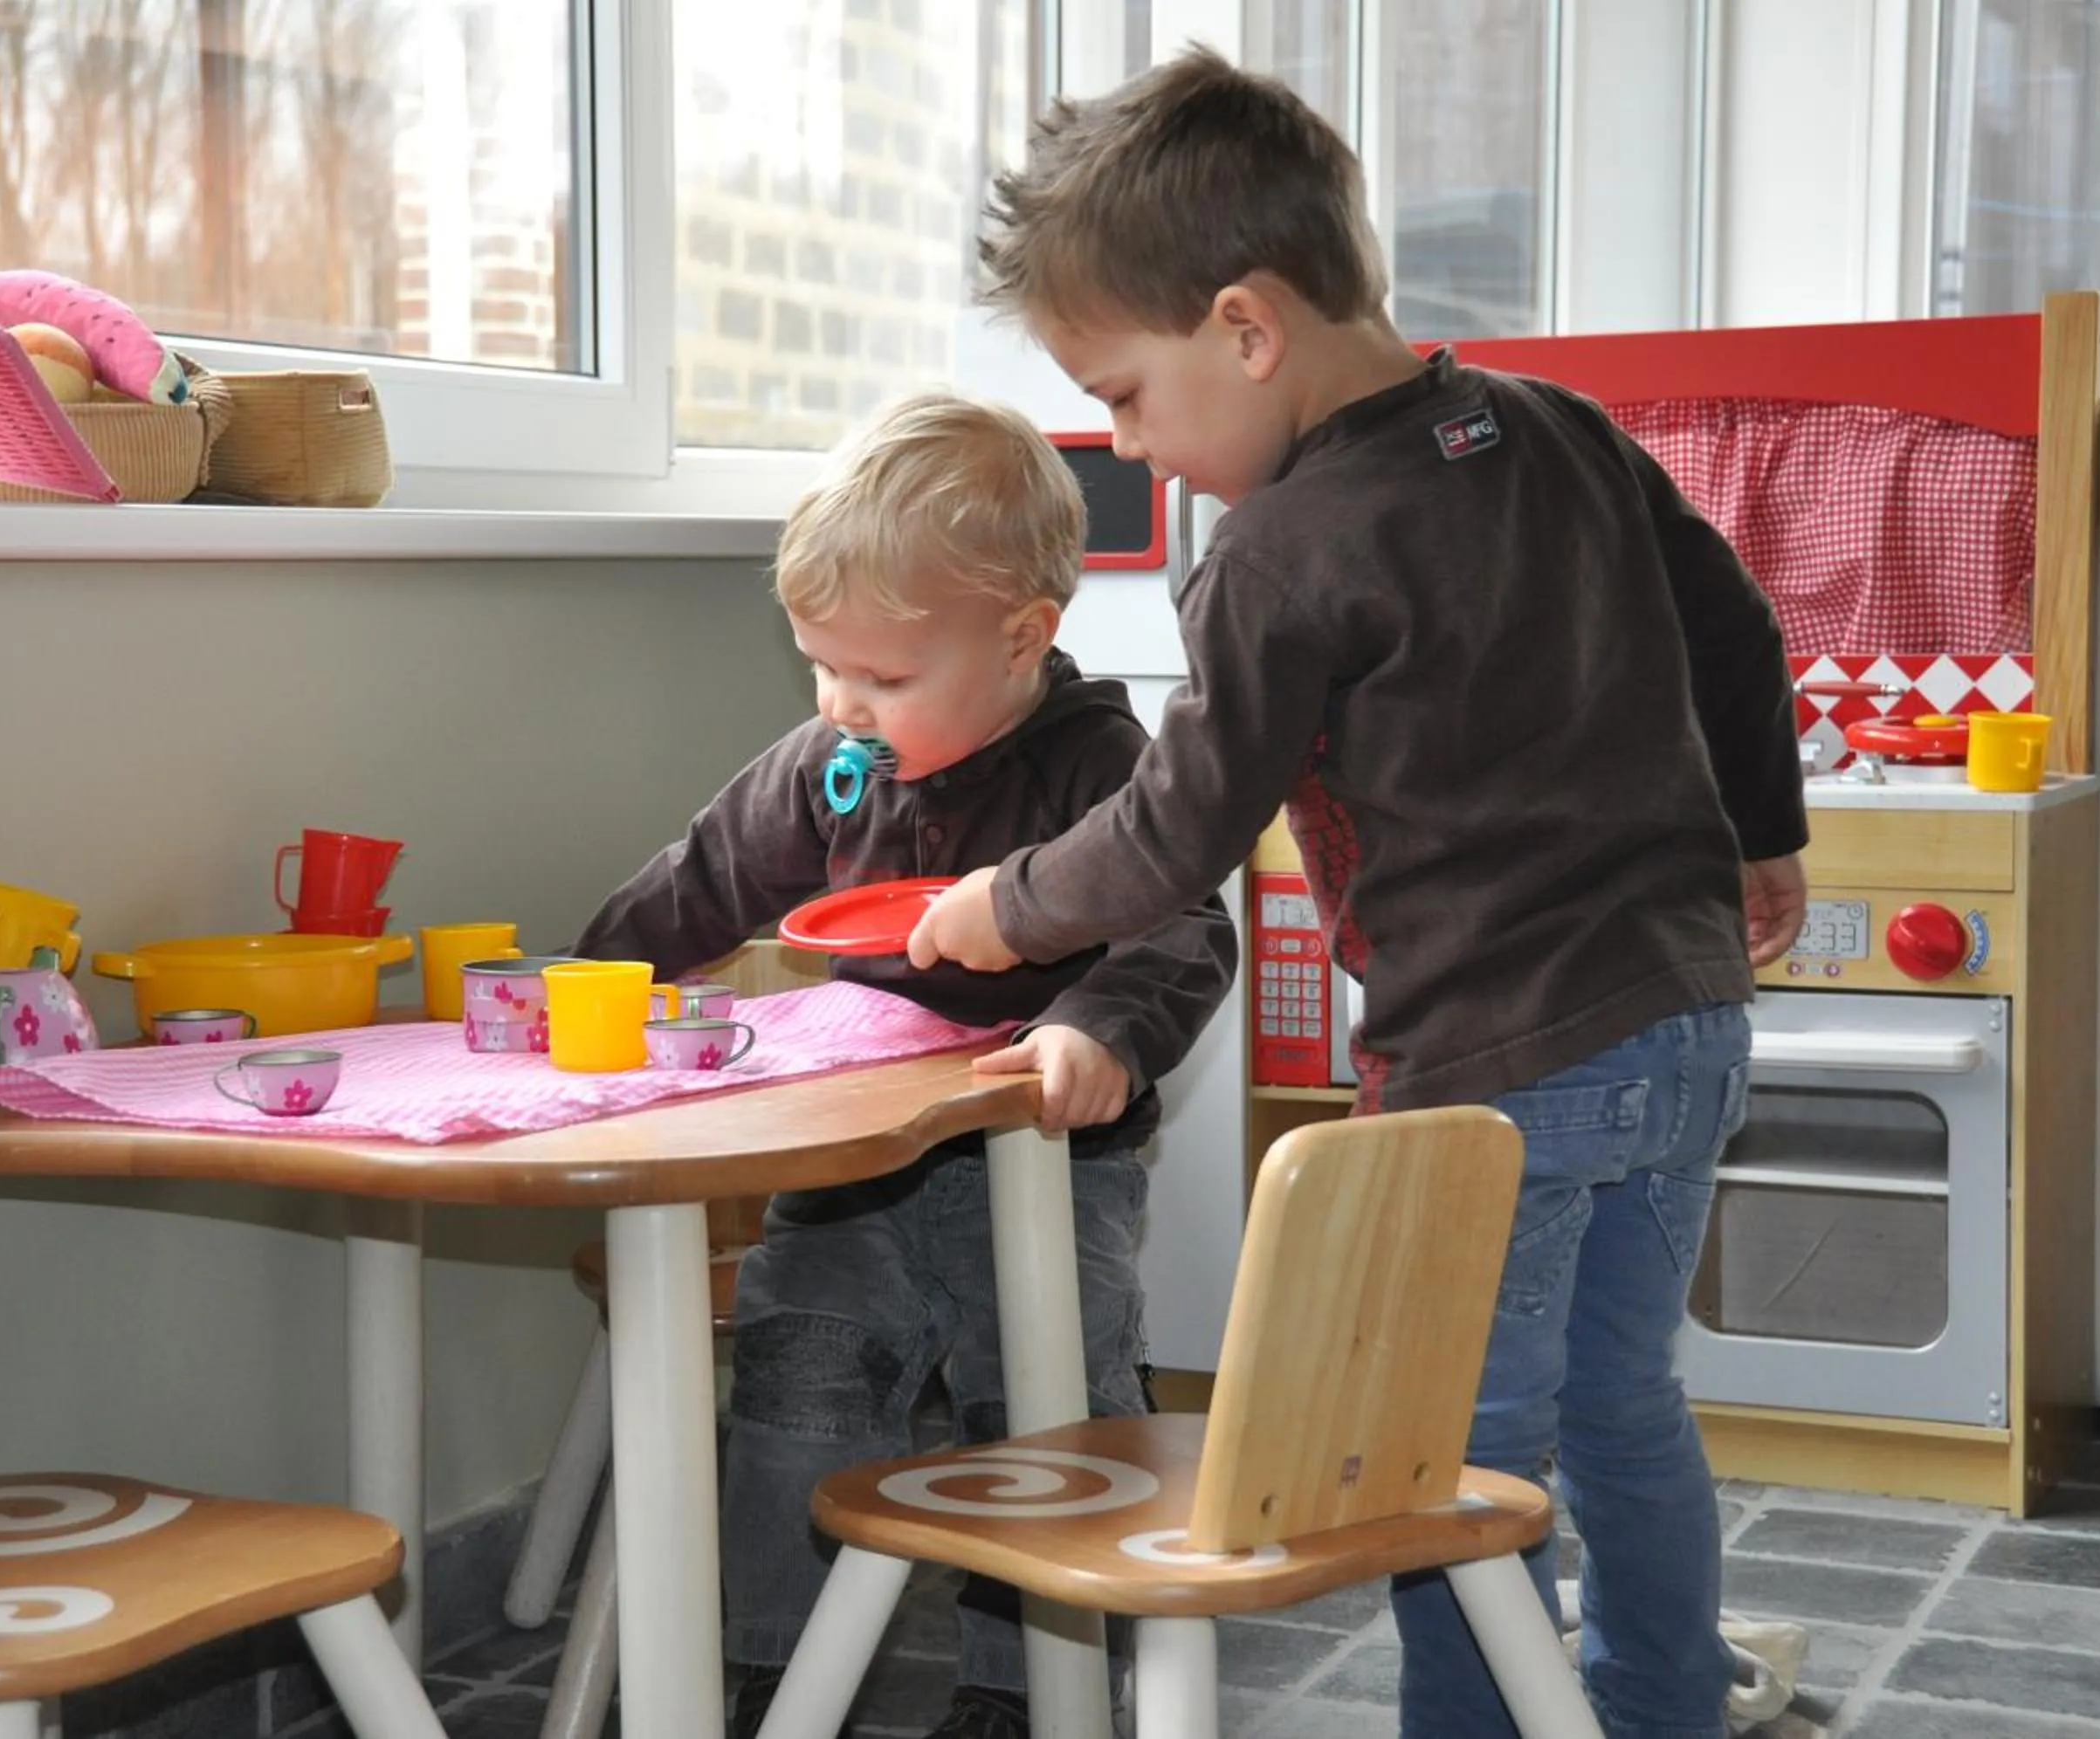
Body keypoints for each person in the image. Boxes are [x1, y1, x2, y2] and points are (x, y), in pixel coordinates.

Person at [905, 48, 1809, 1739]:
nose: (1128, 443)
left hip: (1503, 1077)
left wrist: (1000, 905)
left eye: (1125, 394)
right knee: (1625, 1407)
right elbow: (1741, 632)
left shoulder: (1279, 547)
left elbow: (1176, 830)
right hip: (1689, 1023)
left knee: (1460, 1462)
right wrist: (1766, 831)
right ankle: (1657, 1709)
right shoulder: (1559, 431)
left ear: (1247, 329)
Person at [566, 391, 1236, 1739]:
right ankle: (772, 1666)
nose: (843, 706)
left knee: (1040, 1424)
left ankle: (1021, 1687)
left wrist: (1097, 1032)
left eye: (882, 679)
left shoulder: (1100, 766)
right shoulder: (835, 764)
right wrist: (587, 980)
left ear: (1021, 637)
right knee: (797, 1386)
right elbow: (706, 878)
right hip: (854, 1165)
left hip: (1044, 1166)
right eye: (824, 667)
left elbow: (1184, 926)